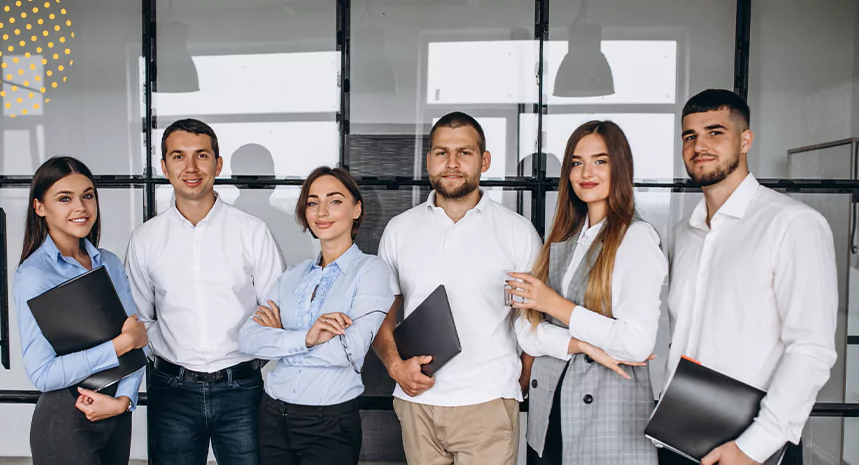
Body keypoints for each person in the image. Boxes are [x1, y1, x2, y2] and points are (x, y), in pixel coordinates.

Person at [663, 89, 837, 465]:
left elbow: (812, 348)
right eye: (689, 136)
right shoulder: (682, 234)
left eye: (715, 132)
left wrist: (754, 447)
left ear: (745, 140)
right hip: (677, 436)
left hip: (751, 446)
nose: (699, 146)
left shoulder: (793, 225)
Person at [372, 111, 542, 465]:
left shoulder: (517, 232)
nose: (451, 163)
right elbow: (379, 314)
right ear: (428, 160)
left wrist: (517, 384)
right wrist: (394, 366)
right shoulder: (400, 229)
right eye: (441, 152)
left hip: (488, 403)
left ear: (485, 160)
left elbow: (534, 318)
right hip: (417, 403)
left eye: (464, 152)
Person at [125, 118, 285, 465]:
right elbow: (139, 318)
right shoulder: (145, 239)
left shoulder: (252, 232)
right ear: (164, 167)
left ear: (218, 164)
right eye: (179, 157)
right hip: (171, 390)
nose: (192, 167)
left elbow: (275, 312)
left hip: (241, 387)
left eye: (201, 155)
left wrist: (245, 356)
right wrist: (172, 353)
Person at [509, 120, 666, 464]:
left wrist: (556, 306)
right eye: (577, 163)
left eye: (600, 161)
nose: (586, 172)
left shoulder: (635, 238)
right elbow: (527, 331)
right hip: (551, 409)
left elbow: (636, 342)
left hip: (607, 419)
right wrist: (581, 345)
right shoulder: (564, 238)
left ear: (621, 167)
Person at [239, 166, 393, 465]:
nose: (322, 211)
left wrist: (280, 341)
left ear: (357, 208)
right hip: (271, 415)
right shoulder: (292, 276)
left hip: (329, 423)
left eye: (334, 200)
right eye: (312, 202)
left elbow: (348, 353)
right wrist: (308, 338)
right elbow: (247, 340)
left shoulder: (371, 271)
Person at [14, 156, 147, 465]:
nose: (81, 207)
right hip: (66, 417)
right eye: (65, 198)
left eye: (88, 195)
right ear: (40, 207)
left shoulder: (110, 263)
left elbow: (138, 343)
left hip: (115, 415)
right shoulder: (34, 275)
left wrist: (124, 401)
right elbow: (43, 374)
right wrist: (118, 346)